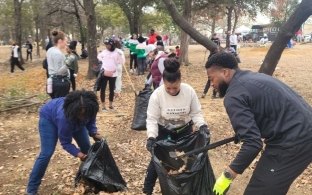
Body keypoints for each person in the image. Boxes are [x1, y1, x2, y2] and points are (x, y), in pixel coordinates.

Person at [205, 52, 312, 195]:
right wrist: (243, 131)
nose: (212, 84)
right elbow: (268, 110)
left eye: (212, 79)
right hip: (302, 129)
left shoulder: (233, 96)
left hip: (294, 141)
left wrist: (227, 175)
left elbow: (253, 144)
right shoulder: (255, 77)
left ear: (225, 72)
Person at [143, 58, 208, 195]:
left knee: (186, 159)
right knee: (158, 161)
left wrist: (202, 125)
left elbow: (196, 113)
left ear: (180, 82)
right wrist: (151, 137)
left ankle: (185, 188)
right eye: (168, 88)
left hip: (185, 132)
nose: (172, 91)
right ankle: (147, 190)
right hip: (164, 132)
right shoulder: (157, 95)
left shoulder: (189, 91)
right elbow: (152, 119)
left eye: (175, 87)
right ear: (163, 82)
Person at [26, 90, 103, 195]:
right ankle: (31, 189)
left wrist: (93, 132)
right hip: (49, 119)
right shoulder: (64, 118)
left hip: (72, 119)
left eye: (85, 114)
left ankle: (89, 179)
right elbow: (65, 142)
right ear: (74, 111)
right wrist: (78, 154)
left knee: (87, 149)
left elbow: (90, 121)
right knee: (46, 153)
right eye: (80, 115)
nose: (83, 117)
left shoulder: (90, 108)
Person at [97, 38, 123, 111]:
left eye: (109, 45)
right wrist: (102, 60)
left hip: (113, 74)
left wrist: (120, 56)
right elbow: (99, 56)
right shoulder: (104, 52)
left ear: (112, 45)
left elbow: (121, 62)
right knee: (103, 89)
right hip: (104, 73)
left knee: (112, 90)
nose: (107, 46)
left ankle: (111, 105)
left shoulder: (117, 53)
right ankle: (103, 106)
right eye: (106, 45)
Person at [47, 30, 71, 99]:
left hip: (52, 81)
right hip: (60, 83)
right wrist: (68, 64)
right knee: (61, 104)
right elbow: (59, 72)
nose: (66, 44)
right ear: (60, 41)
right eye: (66, 41)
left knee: (55, 102)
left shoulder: (50, 50)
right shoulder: (57, 53)